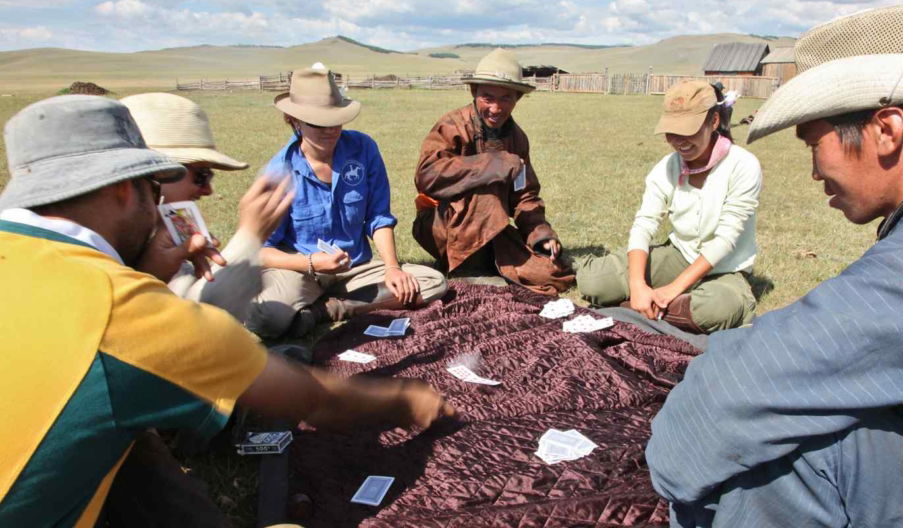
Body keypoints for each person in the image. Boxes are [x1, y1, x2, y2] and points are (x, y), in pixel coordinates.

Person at [0, 94, 454, 528]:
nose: (204, 193)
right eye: (170, 181)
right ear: (125, 189)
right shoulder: (118, 308)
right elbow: (313, 399)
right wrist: (404, 399)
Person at [645, 4, 903, 528]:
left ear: (887, 129)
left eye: (817, 143)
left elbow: (730, 398)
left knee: (775, 402)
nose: (814, 172)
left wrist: (675, 471)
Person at [247, 68, 447, 338]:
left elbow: (378, 217)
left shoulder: (363, 149)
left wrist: (392, 268)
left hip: (356, 267)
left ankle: (327, 311)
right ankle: (310, 302)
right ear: (294, 121)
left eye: (336, 120)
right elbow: (260, 251)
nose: (330, 130)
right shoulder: (278, 173)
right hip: (302, 269)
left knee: (432, 282)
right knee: (268, 319)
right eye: (319, 123)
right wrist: (311, 263)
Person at [575, 80, 760, 333]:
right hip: (679, 256)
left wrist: (672, 289)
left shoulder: (743, 165)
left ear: (714, 121)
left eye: (689, 130)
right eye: (672, 132)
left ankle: (634, 309)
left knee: (717, 308)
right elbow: (644, 225)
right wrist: (638, 284)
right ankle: (654, 307)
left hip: (724, 270)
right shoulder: (666, 167)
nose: (679, 141)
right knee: (593, 282)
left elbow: (725, 240)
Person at [413, 48, 575, 295]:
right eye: (488, 97)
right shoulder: (453, 125)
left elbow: (525, 196)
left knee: (552, 274)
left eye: (506, 98)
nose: (496, 108)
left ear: (517, 99)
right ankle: (467, 271)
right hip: (440, 226)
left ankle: (485, 263)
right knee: (487, 192)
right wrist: (489, 164)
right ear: (474, 93)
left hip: (490, 227)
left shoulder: (517, 139)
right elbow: (426, 176)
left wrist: (540, 234)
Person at [120, 92, 283, 324]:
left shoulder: (143, 238)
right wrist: (250, 237)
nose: (208, 190)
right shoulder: (94, 248)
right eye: (201, 175)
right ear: (152, 176)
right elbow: (199, 323)